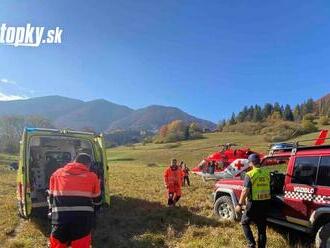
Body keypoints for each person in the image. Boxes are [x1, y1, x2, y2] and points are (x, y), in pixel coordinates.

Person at [48, 153, 102, 248]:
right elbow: (97, 200)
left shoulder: (56, 174)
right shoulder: (92, 177)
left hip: (60, 219)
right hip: (82, 220)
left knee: (57, 245)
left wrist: (51, 212)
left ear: (74, 161)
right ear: (88, 164)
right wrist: (95, 212)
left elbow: (51, 197)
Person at [235, 154, 270, 248]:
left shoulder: (250, 174)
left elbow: (245, 191)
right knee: (262, 229)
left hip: (254, 203)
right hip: (265, 203)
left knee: (244, 222)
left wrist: (239, 204)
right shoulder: (267, 173)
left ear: (251, 163)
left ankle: (251, 244)